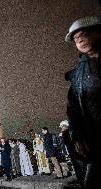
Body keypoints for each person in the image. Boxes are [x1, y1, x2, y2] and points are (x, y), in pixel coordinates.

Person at [65, 16, 101, 188]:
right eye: (75, 38)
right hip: (95, 139)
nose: (79, 39)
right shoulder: (78, 72)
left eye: (83, 34)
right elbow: (73, 108)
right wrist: (78, 135)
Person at [59, 120, 86, 187]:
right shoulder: (68, 132)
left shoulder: (67, 133)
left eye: (62, 127)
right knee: (79, 168)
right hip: (74, 153)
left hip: (75, 153)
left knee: (79, 168)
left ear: (65, 126)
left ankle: (83, 181)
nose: (61, 128)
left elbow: (68, 143)